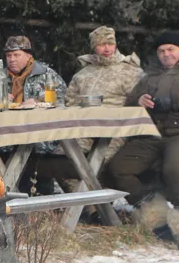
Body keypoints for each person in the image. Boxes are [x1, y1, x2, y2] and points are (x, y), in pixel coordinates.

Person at [101, 31, 179, 252]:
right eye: (161, 51)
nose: (166, 54)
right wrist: (138, 100)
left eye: (171, 49)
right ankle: (155, 217)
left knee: (175, 168)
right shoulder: (151, 77)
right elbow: (129, 104)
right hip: (151, 133)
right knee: (117, 169)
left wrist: (177, 101)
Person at [27, 26, 143, 195]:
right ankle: (88, 207)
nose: (106, 48)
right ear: (93, 47)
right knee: (68, 157)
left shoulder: (131, 72)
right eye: (101, 44)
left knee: (96, 161)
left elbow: (137, 104)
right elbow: (70, 102)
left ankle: (93, 204)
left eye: (110, 43)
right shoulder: (82, 75)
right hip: (82, 128)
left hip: (115, 129)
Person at [0, 35, 67, 107]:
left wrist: (37, 101)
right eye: (8, 56)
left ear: (28, 56)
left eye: (16, 55)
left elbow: (64, 96)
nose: (12, 60)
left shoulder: (45, 73)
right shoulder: (1, 76)